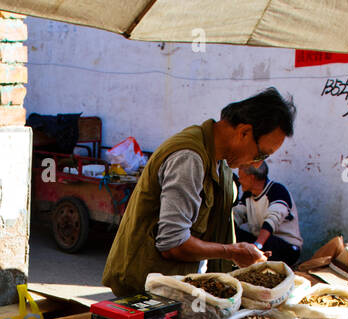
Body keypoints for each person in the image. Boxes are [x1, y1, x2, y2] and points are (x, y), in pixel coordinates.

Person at [101, 88, 297, 296]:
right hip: (148, 290)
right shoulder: (189, 158)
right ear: (244, 133)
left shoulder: (221, 162)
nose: (257, 164)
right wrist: (232, 252)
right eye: (261, 154)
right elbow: (173, 244)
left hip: (180, 286)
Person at [232, 162, 345, 270]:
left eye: (241, 177)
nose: (239, 180)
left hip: (287, 248)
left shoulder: (277, 191)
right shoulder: (248, 195)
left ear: (251, 178)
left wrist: (256, 247)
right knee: (235, 235)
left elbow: (272, 220)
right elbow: (238, 214)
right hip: (264, 243)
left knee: (268, 242)